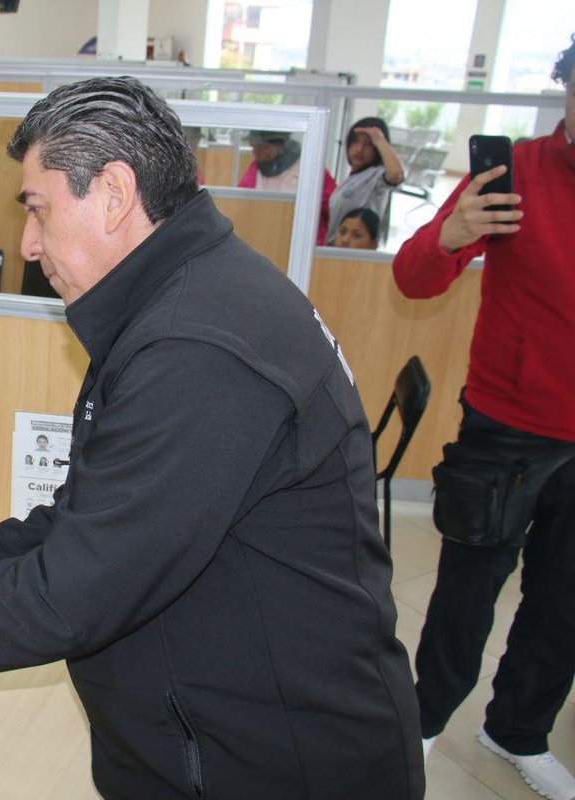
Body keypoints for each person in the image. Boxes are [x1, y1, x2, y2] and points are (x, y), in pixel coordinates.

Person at [0, 76, 425, 799]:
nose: (28, 243)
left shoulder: (197, 348)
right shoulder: (187, 298)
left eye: (38, 210)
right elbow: (88, 519)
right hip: (220, 733)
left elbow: (75, 592)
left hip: (278, 763)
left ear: (113, 192)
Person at [393, 34, 575, 800]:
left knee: (563, 604)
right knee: (467, 595)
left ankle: (518, 732)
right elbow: (413, 278)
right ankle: (421, 723)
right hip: (506, 427)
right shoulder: (515, 172)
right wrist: (451, 235)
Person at [239, 130, 337, 244]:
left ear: (275, 145)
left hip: (300, 240)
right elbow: (243, 202)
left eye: (258, 147)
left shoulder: (311, 169)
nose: (254, 152)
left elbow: (331, 207)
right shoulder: (256, 168)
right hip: (263, 236)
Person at [326, 116, 405, 246]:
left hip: (354, 251)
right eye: (356, 141)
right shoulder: (353, 177)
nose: (359, 149)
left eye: (368, 144)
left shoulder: (376, 175)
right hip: (335, 247)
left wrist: (379, 139)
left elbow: (396, 174)